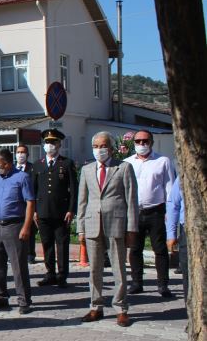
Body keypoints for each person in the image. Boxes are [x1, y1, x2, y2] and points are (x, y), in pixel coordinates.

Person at [78, 132, 139, 327]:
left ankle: (121, 308)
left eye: (102, 146)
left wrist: (131, 228)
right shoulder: (87, 169)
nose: (99, 150)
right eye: (95, 146)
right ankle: (96, 306)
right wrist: (80, 228)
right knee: (95, 268)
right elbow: (82, 200)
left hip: (116, 224)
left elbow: (131, 200)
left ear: (111, 148)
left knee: (118, 268)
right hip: (92, 223)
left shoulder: (123, 167)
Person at [124, 129, 175, 297]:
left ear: (151, 142)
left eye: (145, 141)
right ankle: (137, 282)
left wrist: (169, 211)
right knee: (135, 248)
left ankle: (163, 285)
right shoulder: (127, 162)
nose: (141, 144)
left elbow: (169, 187)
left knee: (159, 249)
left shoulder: (163, 161)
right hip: (135, 212)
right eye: (138, 141)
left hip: (156, 211)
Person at [0, 148, 36, 314]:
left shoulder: (22, 177)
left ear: (6, 164)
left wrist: (27, 227)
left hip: (15, 226)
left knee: (18, 266)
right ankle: (0, 296)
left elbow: (30, 202)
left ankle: (24, 301)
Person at [31, 130, 77, 288]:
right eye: (47, 142)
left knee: (62, 244)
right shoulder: (38, 164)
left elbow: (73, 189)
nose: (49, 145)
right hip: (43, 211)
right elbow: (33, 190)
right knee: (46, 244)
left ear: (59, 144)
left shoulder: (67, 163)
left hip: (61, 212)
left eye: (53, 142)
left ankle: (62, 275)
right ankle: (50, 273)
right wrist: (34, 211)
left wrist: (71, 209)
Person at [14, 144, 37, 264]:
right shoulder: (11, 169)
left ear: (27, 155)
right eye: (18, 152)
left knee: (30, 230)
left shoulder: (32, 168)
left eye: (23, 152)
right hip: (16, 205)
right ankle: (16, 253)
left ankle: (30, 254)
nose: (20, 154)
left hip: (29, 204)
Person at [166, 176, 187, 298]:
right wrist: (171, 235)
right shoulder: (185, 175)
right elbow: (173, 204)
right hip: (188, 230)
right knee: (188, 273)